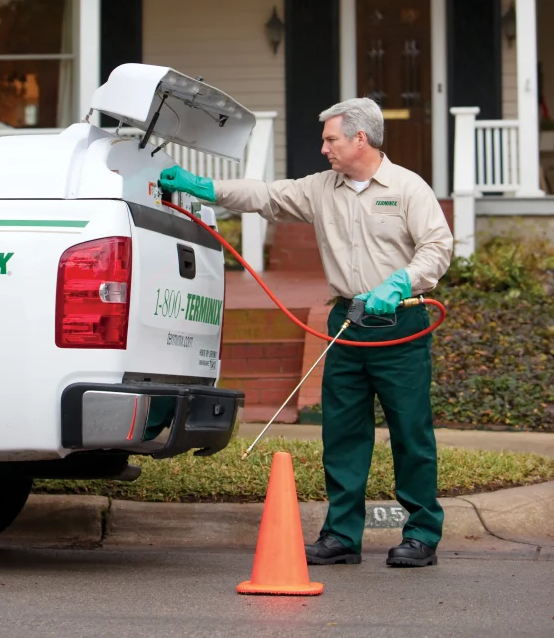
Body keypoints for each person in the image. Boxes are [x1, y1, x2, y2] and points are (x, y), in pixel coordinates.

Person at [159, 97, 453, 568]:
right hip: (348, 323)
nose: (323, 149)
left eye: (330, 139)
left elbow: (438, 247)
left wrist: (400, 282)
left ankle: (421, 535)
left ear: (361, 138)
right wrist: (204, 187)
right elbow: (266, 196)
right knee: (342, 433)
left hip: (400, 324)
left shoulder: (407, 188)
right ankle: (341, 536)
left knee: (411, 433)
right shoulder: (321, 189)